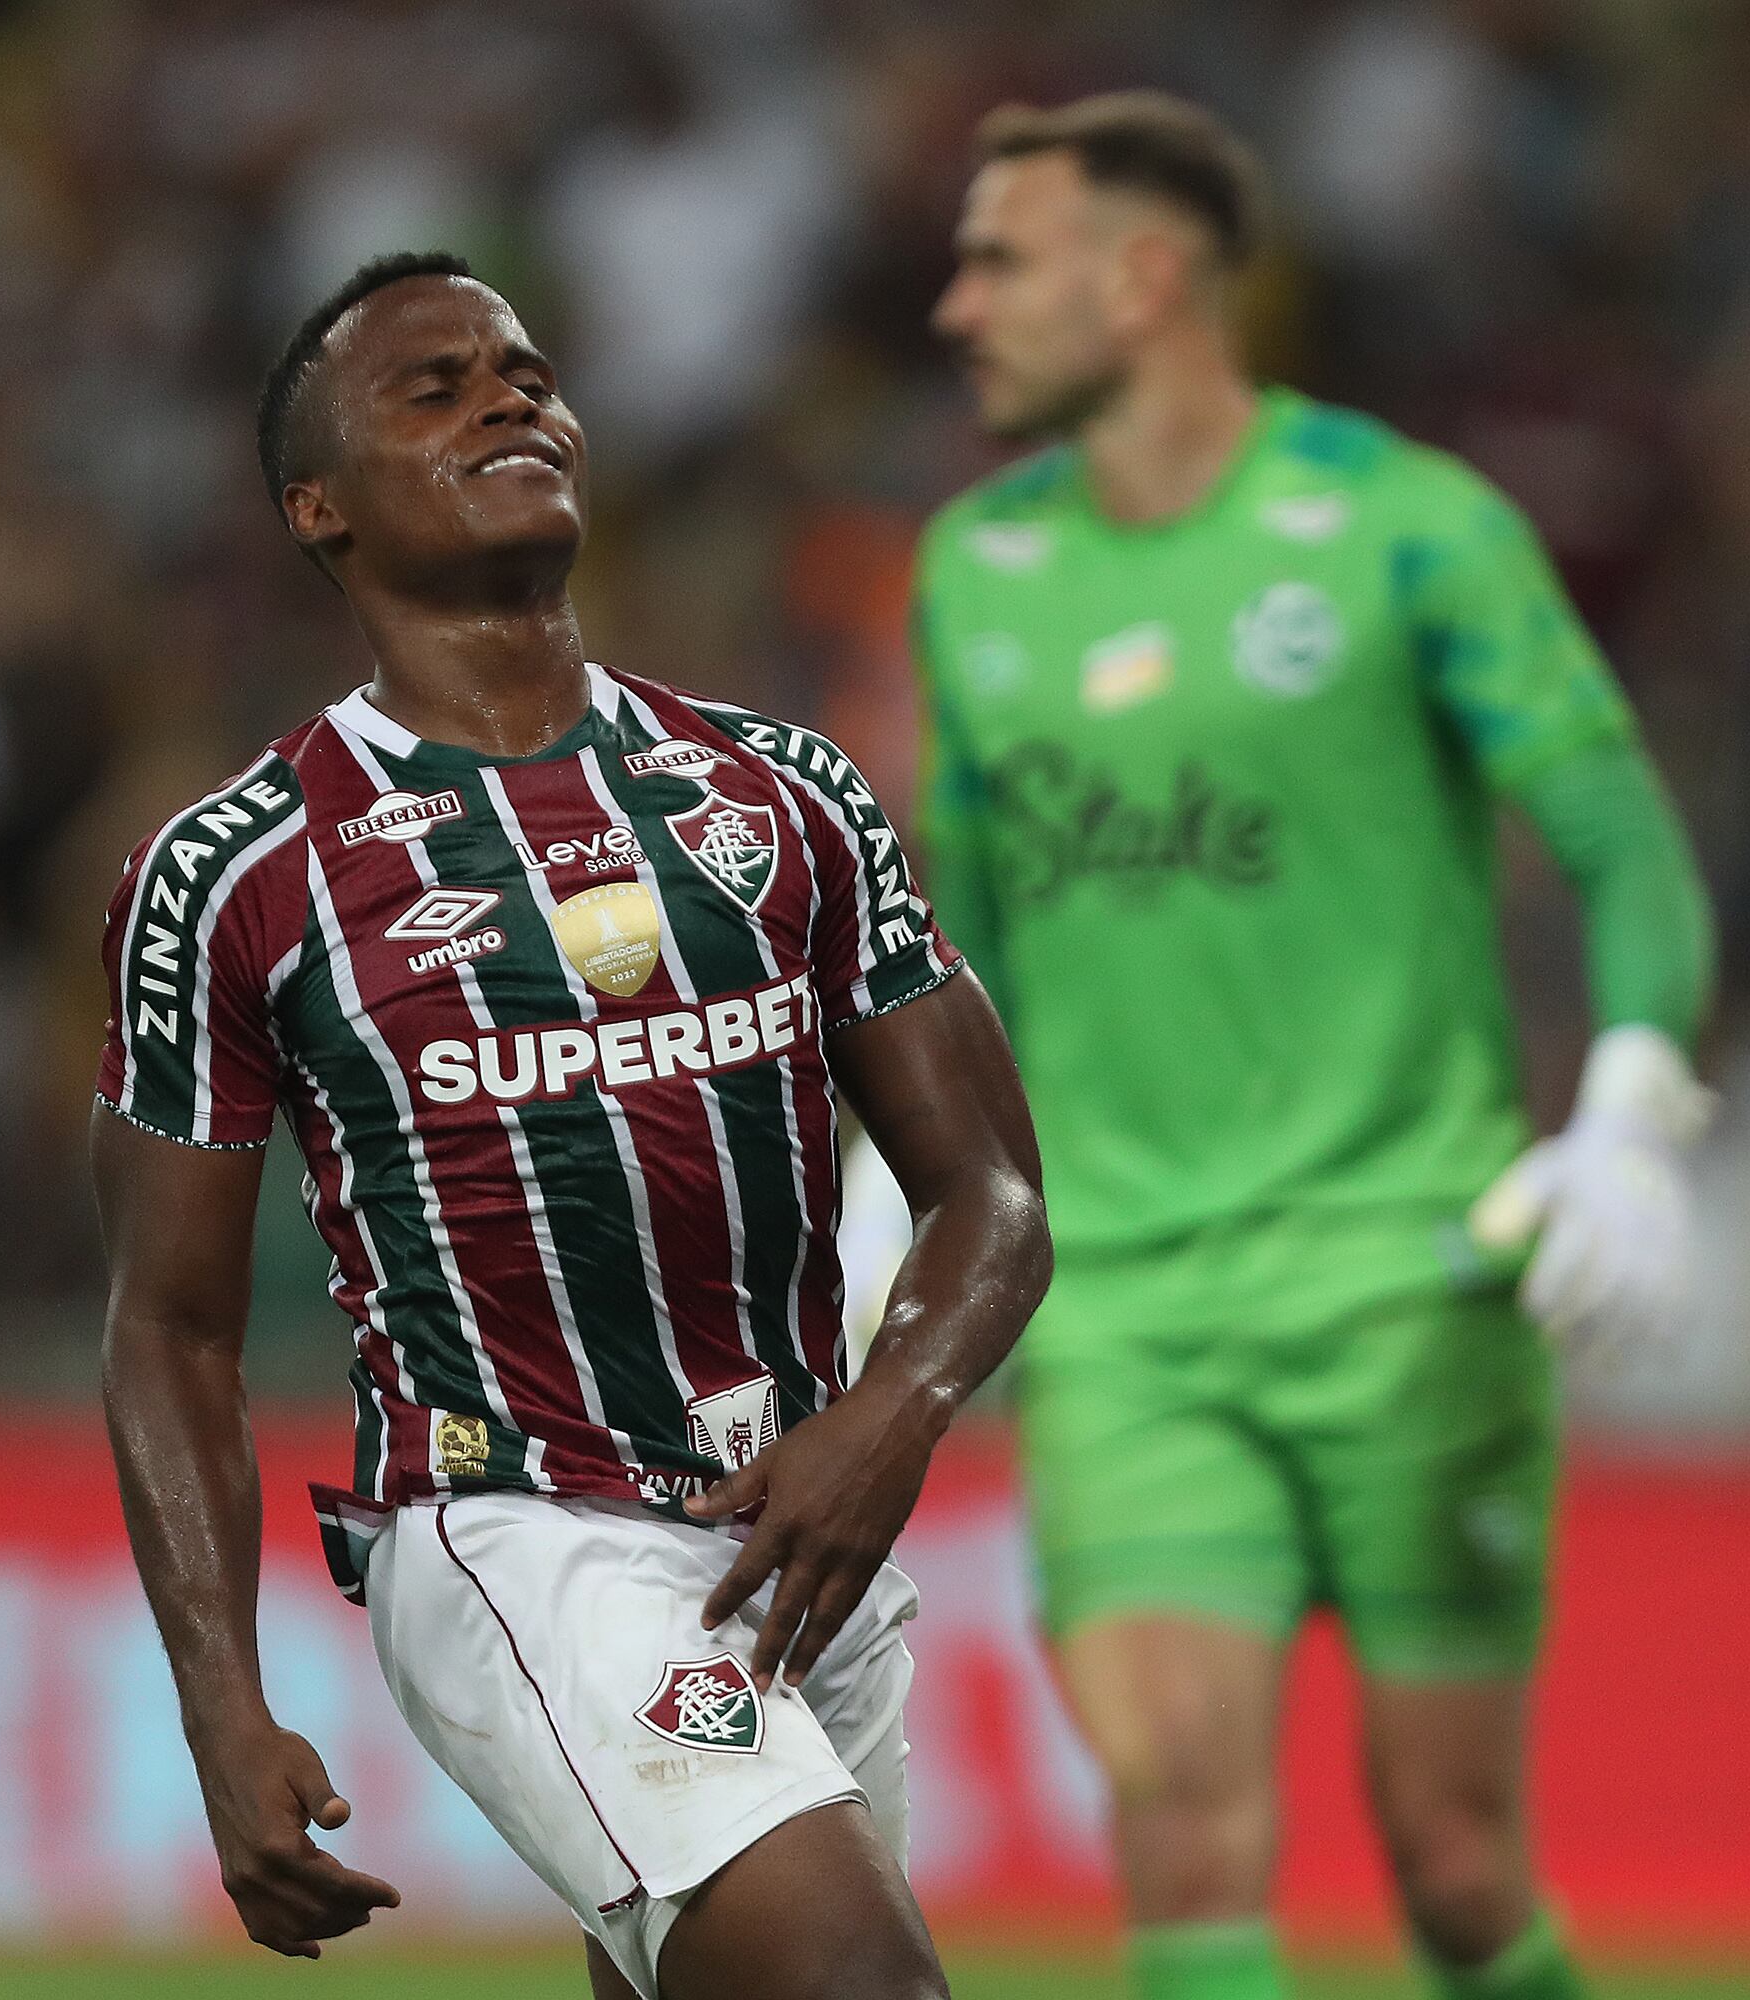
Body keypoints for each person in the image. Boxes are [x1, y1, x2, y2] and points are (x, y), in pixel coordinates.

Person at [93, 251, 1049, 2000]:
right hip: (517, 1532)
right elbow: (169, 1325)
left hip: (797, 1541)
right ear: (322, 510)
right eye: (434, 386)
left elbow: (990, 1187)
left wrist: (893, 1414)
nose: (506, 399)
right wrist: (220, 1704)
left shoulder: (784, 791)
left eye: (525, 371)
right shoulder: (235, 876)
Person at [911, 96, 1716, 2000]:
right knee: (1184, 1825)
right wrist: (907, 1184)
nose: (954, 307)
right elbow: (966, 949)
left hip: (1410, 1281)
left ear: (1148, 277)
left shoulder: (1406, 527)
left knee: (1451, 1865)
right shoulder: (971, 571)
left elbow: (1624, 847)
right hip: (1122, 1313)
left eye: (999, 260)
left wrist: (1628, 1120)